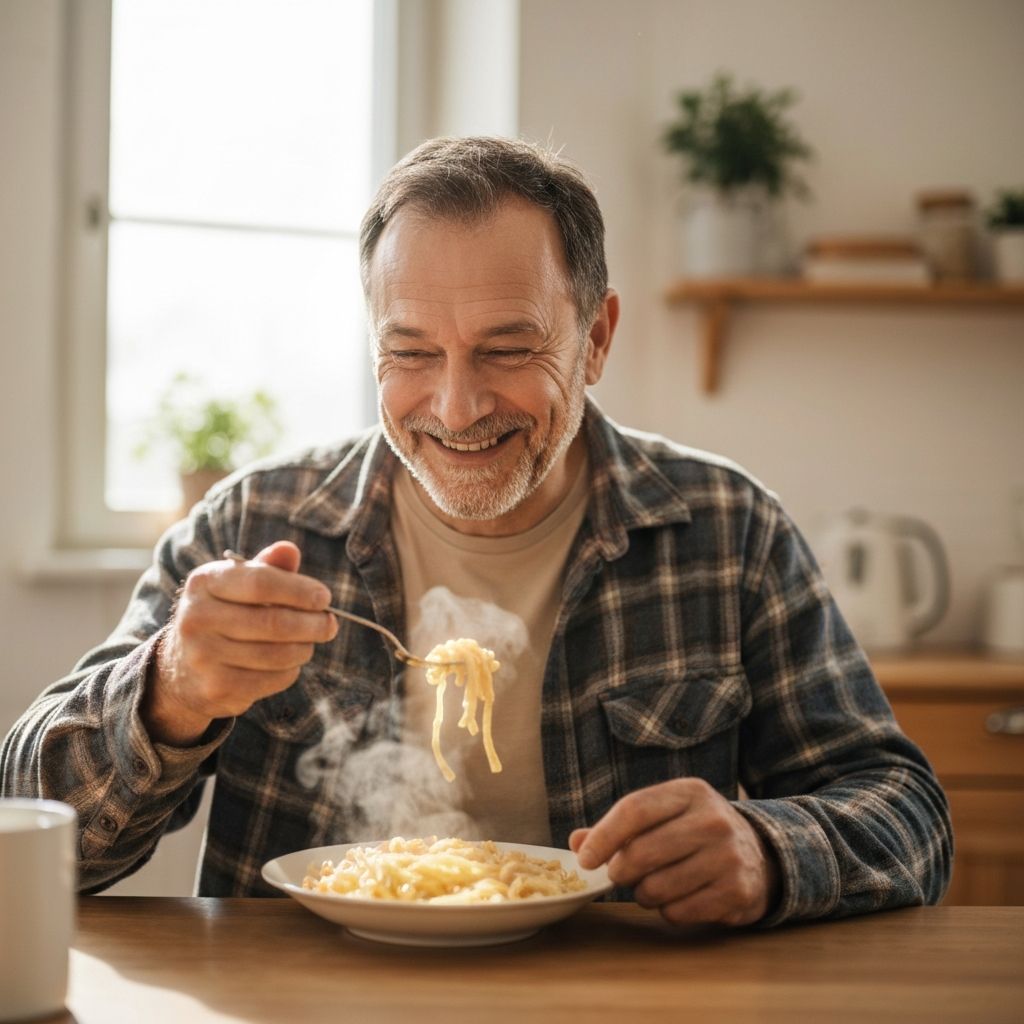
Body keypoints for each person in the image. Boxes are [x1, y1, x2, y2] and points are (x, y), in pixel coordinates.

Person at [1, 136, 951, 927]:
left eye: (508, 348)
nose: (456, 408)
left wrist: (768, 850)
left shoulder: (727, 529)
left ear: (598, 338)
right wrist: (166, 693)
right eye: (411, 353)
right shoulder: (252, 525)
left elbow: (908, 814)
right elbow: (38, 833)